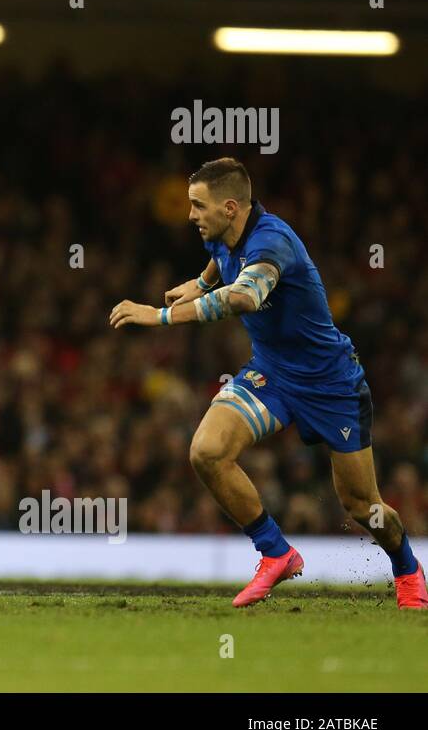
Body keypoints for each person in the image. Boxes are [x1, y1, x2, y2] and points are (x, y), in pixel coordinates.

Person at [110, 157, 425, 609]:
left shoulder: (272, 241)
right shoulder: (226, 232)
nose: (191, 216)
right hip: (272, 374)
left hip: (330, 383)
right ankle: (276, 552)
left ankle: (407, 568)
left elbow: (244, 296)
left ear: (231, 208)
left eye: (198, 206)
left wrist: (159, 316)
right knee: (207, 452)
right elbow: (224, 263)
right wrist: (198, 283)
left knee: (361, 506)